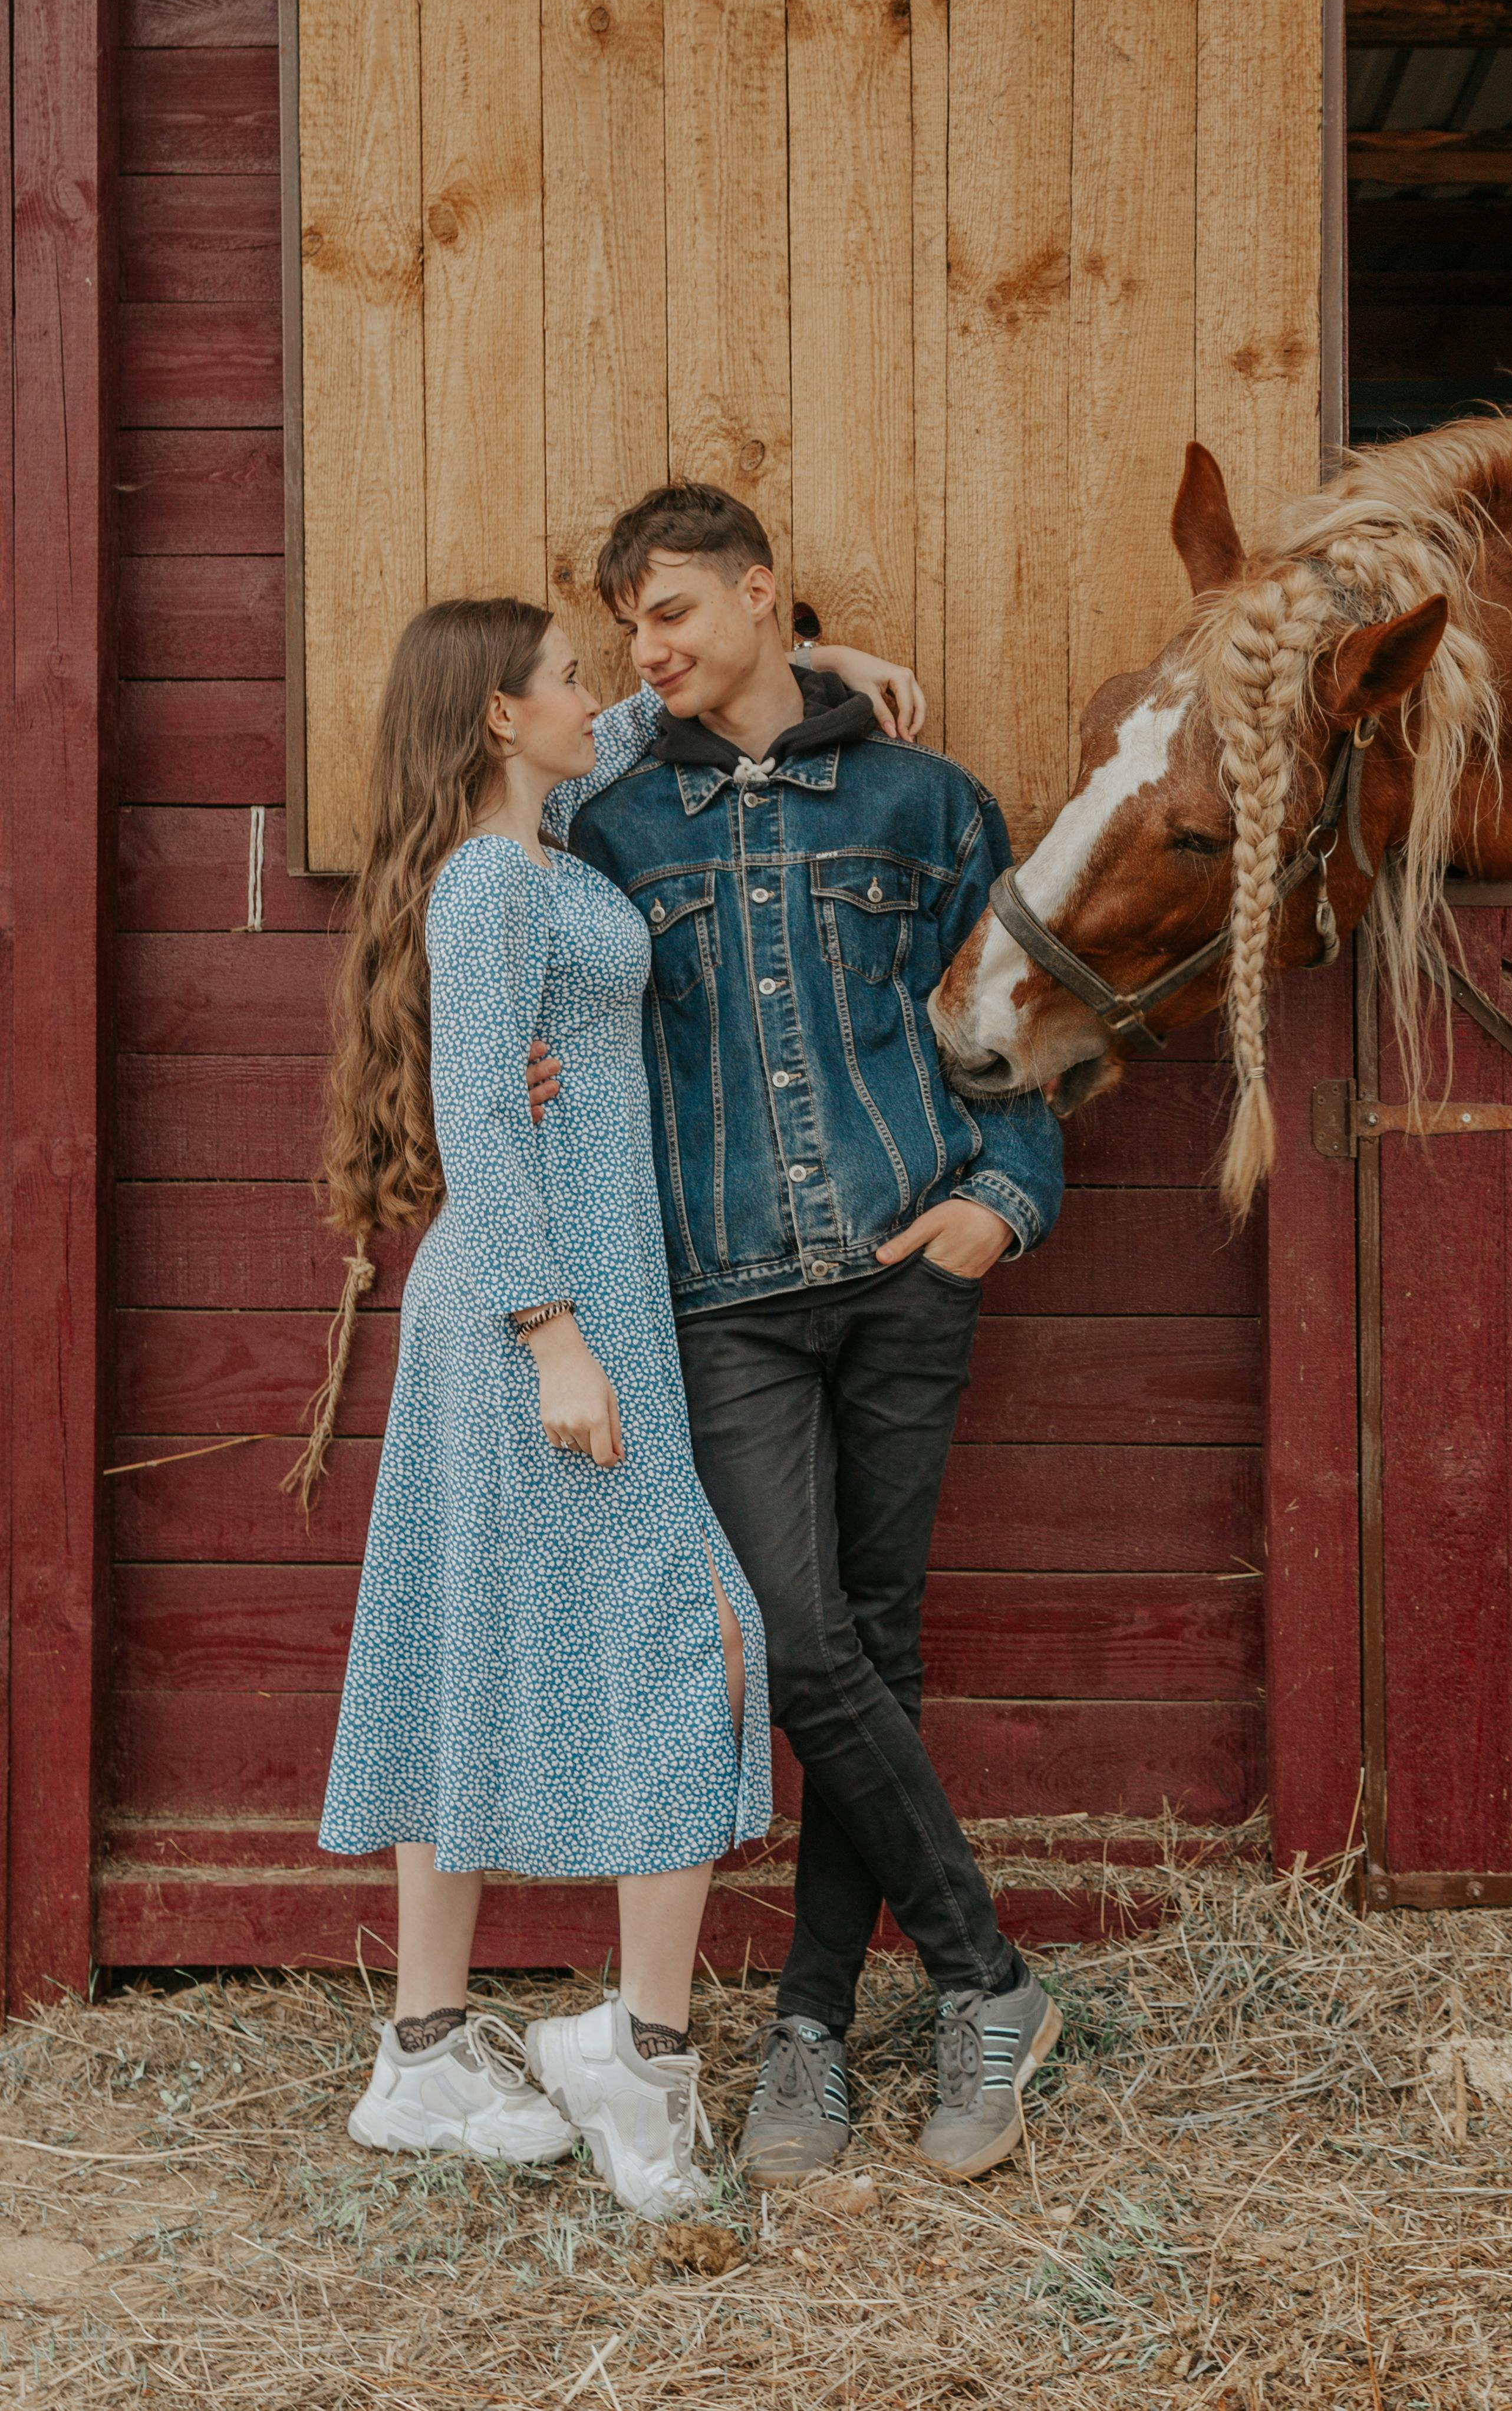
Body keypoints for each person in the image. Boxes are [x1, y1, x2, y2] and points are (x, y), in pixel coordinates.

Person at [315, 594, 919, 2212]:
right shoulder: (497, 883)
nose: (603, 691)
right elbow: (481, 1124)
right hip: (543, 1313)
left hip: (578, 1306)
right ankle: (638, 2065)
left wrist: (812, 670)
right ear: (501, 717)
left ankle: (425, 2052)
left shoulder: (535, 837)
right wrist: (552, 1335)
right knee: (704, 1630)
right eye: (570, 678)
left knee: (469, 1634)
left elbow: (649, 721)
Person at [535, 482, 1067, 2188]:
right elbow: (541, 995)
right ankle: (989, 1976)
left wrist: (1004, 1199)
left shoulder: (926, 802)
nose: (653, 645)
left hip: (912, 1275)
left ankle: (813, 2041)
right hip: (727, 1303)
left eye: (679, 609)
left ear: (766, 595)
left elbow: (1026, 1031)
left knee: (876, 1649)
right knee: (798, 1639)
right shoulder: (612, 825)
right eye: (633, 625)